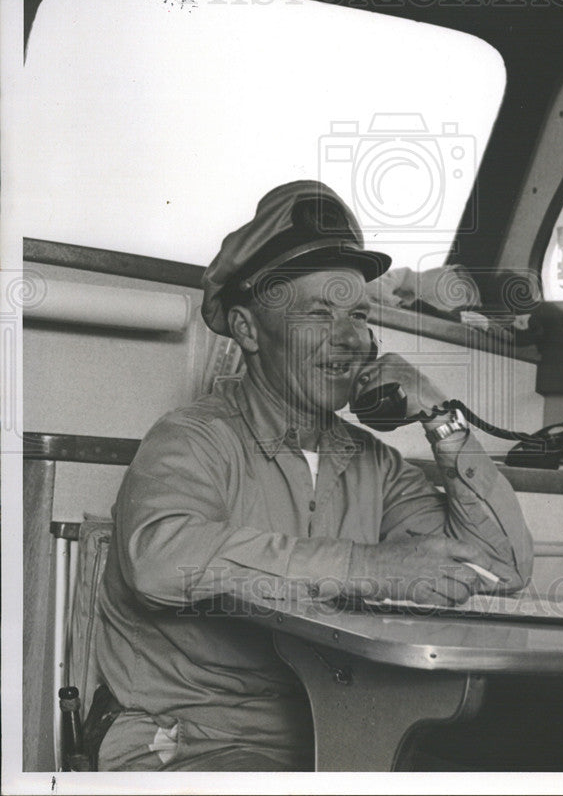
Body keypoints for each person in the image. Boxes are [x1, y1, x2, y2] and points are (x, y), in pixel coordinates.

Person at [93, 180, 534, 771]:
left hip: (351, 736)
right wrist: (368, 566)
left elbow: (500, 566)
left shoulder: (375, 464)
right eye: (319, 313)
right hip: (200, 745)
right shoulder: (192, 439)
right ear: (249, 331)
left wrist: (439, 416)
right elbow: (160, 559)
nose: (349, 336)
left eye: (357, 314)